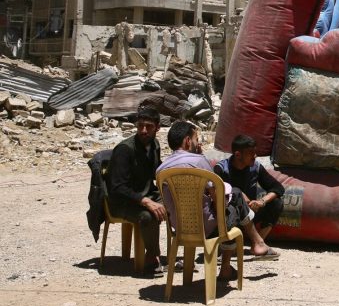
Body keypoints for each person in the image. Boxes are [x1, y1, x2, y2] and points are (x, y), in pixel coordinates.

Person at [156, 122, 279, 282]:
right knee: (233, 203)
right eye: (196, 139)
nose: (198, 142)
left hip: (179, 227)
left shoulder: (161, 169)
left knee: (234, 201)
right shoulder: (200, 162)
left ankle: (256, 243)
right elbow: (216, 196)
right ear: (187, 141)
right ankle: (250, 249)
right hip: (206, 227)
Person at [106, 106, 167, 276]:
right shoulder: (125, 150)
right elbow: (117, 187)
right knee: (149, 215)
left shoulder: (154, 144)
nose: (144, 131)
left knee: (177, 204)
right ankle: (151, 258)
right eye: (140, 126)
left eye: (148, 126)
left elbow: (157, 170)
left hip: (146, 195)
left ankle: (174, 250)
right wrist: (146, 201)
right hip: (123, 202)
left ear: (158, 128)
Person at [214, 135, 285, 242]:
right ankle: (229, 242)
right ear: (238, 154)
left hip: (250, 213)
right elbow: (217, 193)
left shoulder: (255, 167)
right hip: (230, 215)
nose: (255, 156)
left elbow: (278, 188)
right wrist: (240, 197)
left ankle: (258, 242)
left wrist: (261, 202)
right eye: (251, 153)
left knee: (276, 202)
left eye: (255, 152)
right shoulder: (221, 169)